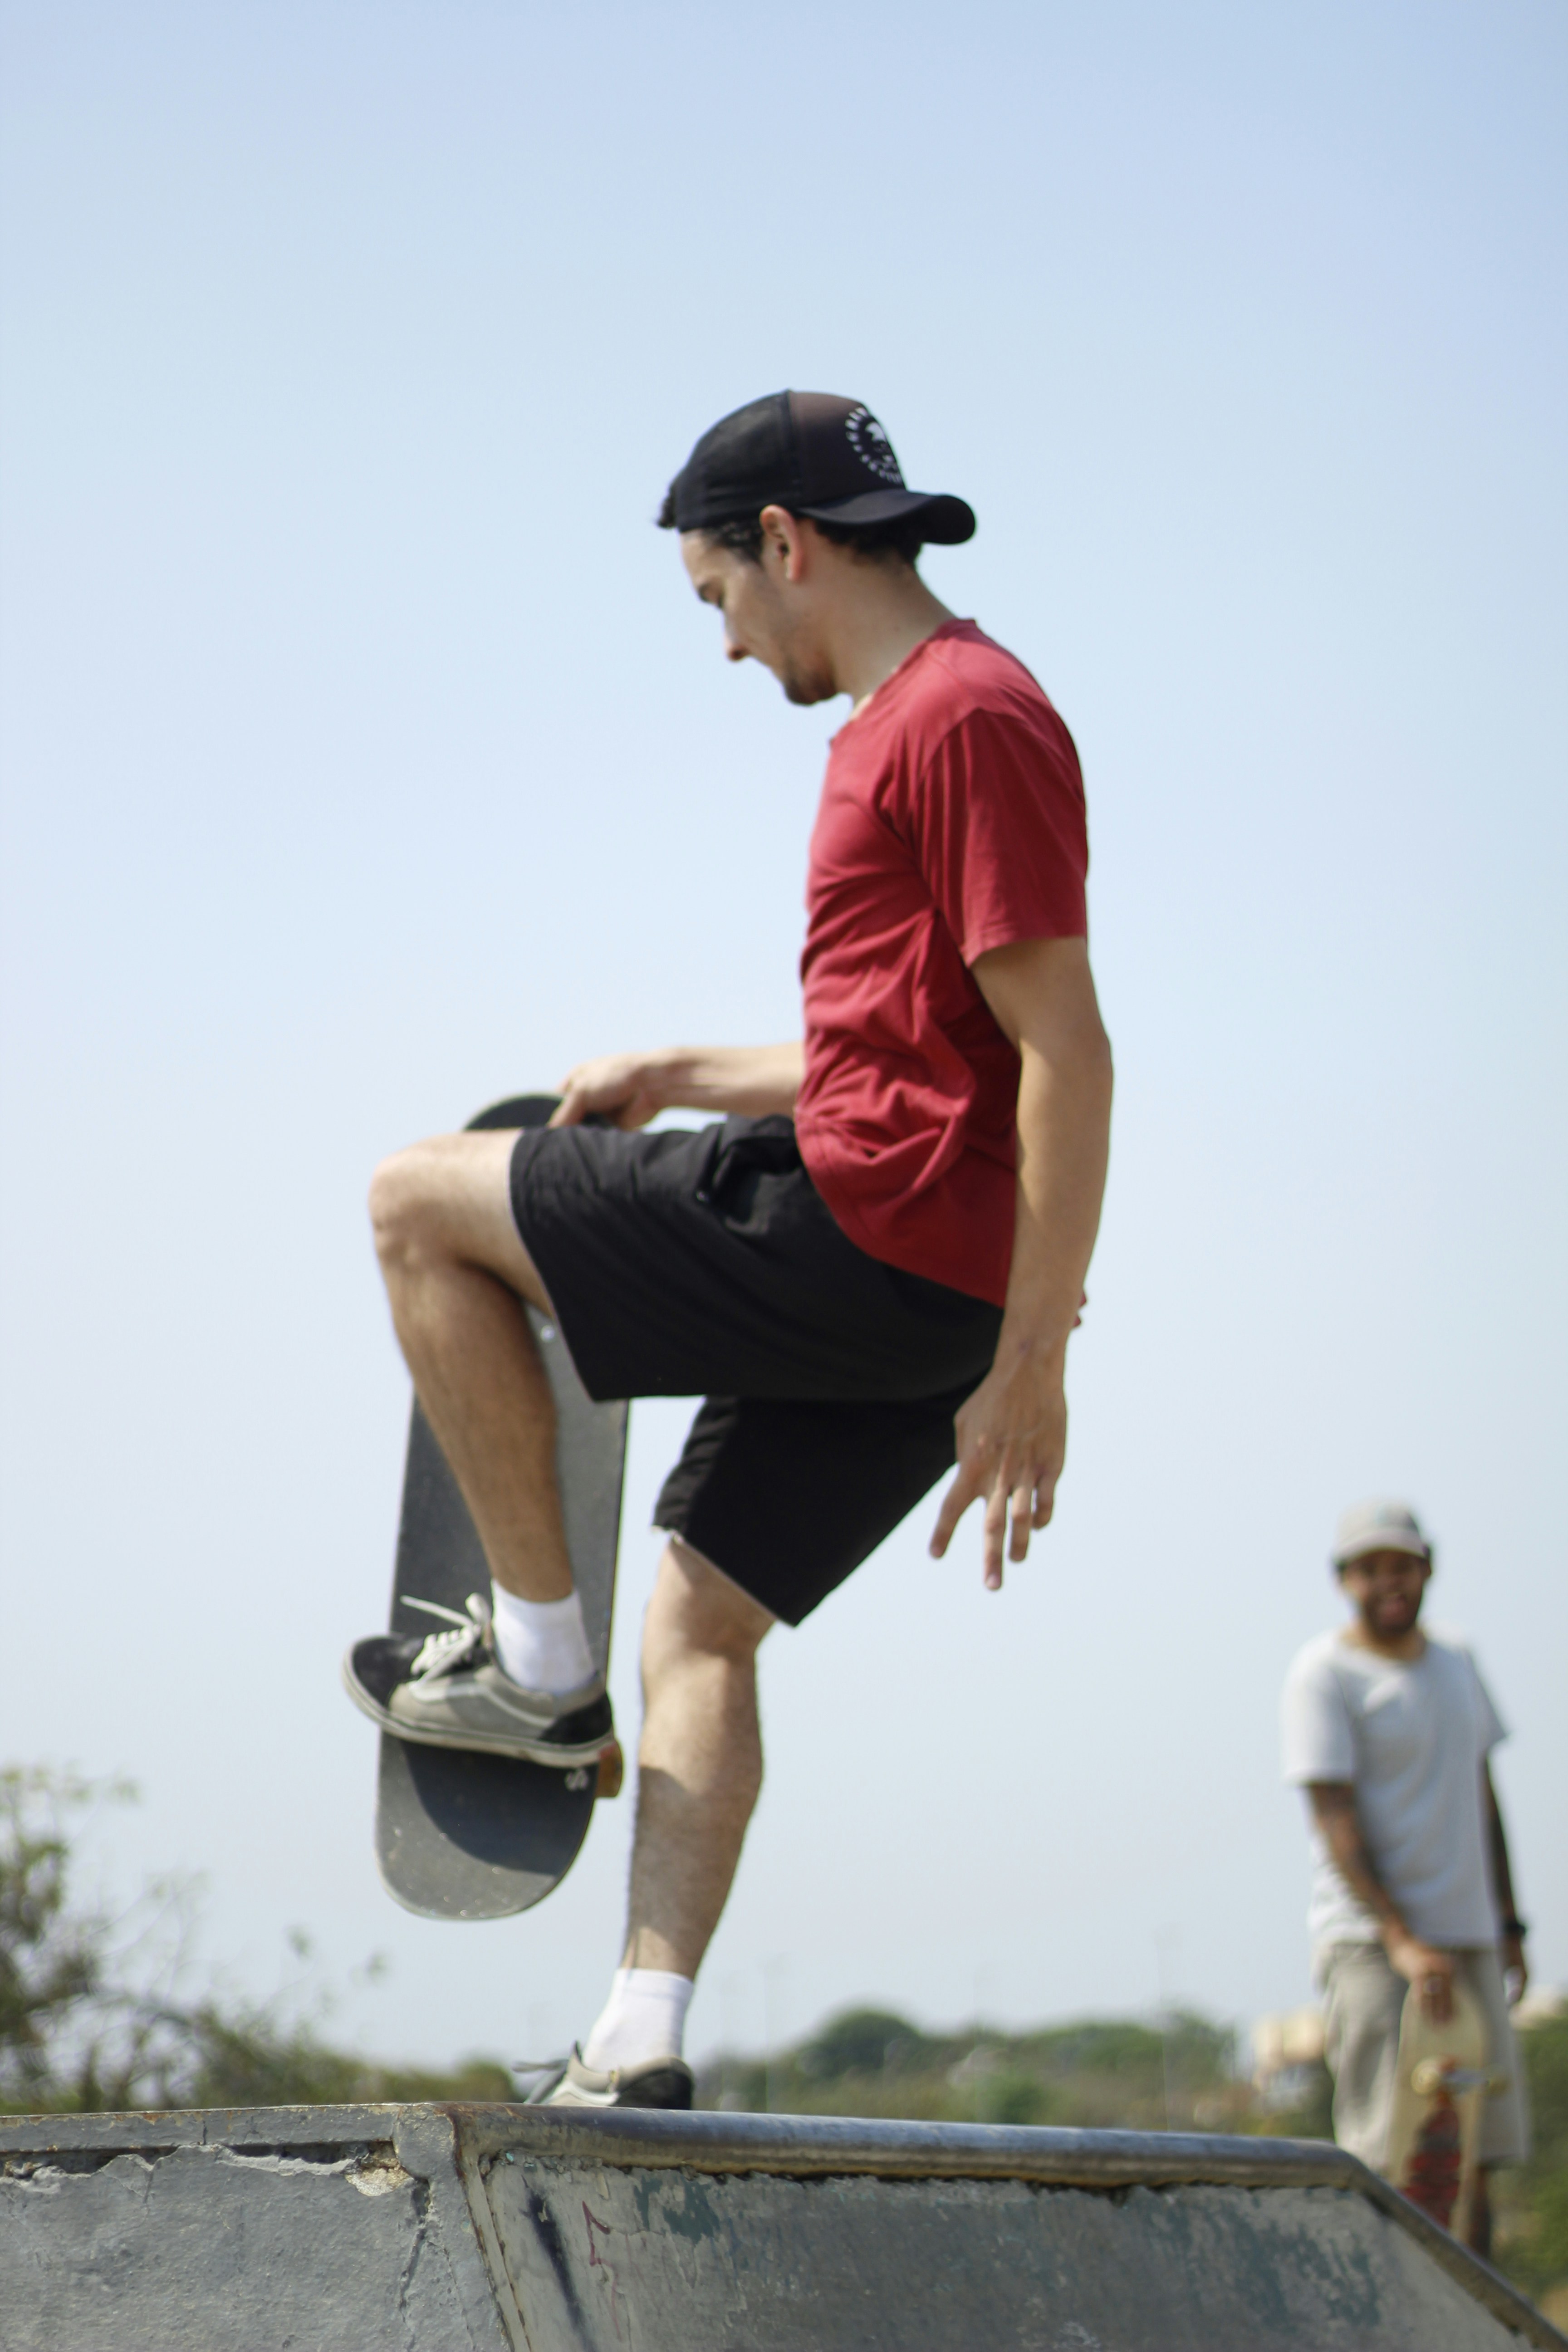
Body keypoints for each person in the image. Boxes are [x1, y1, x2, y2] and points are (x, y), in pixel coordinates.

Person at [344, 390, 1114, 2108]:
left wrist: (1037, 1359)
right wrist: (682, 1069)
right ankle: (642, 2033)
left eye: (719, 599)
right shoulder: (929, 720)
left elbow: (1067, 1049)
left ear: (783, 542)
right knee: (698, 1619)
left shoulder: (959, 717)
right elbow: (918, 1049)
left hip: (863, 1241)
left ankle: (538, 1672)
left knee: (415, 1204)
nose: (727, 644)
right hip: (915, 1296)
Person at [1280, 1498, 1531, 2254]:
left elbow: (1481, 1795)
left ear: (1428, 1569)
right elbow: (1333, 1815)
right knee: (1392, 2159)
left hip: (1468, 1935)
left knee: (1472, 2157)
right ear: (1343, 1580)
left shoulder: (1457, 1659)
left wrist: (1509, 1924)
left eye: (1402, 1566)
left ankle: (1474, 2313)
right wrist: (1399, 1939)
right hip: (1372, 1943)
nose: (1389, 1582)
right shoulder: (1324, 1673)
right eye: (1370, 1570)